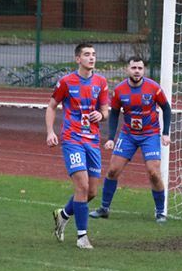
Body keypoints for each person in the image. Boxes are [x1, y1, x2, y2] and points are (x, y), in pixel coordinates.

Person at [89, 57, 172, 222]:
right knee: (113, 170)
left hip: (149, 134)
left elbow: (166, 108)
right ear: (128, 69)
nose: (137, 71)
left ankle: (161, 211)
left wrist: (165, 132)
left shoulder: (153, 88)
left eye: (140, 68)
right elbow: (113, 113)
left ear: (144, 70)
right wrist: (111, 137)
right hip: (128, 135)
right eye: (134, 67)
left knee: (154, 173)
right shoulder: (120, 90)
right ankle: (104, 208)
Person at [45, 43, 109, 249]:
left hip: (92, 140)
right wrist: (50, 132)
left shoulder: (101, 82)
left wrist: (101, 114)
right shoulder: (66, 82)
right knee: (81, 186)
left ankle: (62, 215)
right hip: (72, 139)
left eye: (93, 55)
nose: (91, 58)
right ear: (77, 59)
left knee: (91, 192)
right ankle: (82, 237)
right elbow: (52, 106)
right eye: (87, 54)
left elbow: (105, 111)